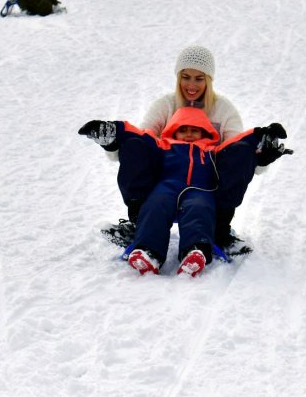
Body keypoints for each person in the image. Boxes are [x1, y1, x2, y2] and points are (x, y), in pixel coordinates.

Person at [102, 45, 291, 252]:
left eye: (199, 78)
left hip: (206, 185)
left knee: (239, 151)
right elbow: (142, 146)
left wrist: (260, 156)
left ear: (209, 80)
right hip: (164, 181)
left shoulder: (224, 110)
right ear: (178, 77)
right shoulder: (165, 106)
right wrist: (113, 142)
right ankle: (140, 223)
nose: (191, 85)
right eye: (186, 77)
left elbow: (237, 153)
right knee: (137, 143)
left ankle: (219, 230)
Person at [80, 107, 290, 277]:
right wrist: (113, 130)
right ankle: (148, 251)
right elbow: (139, 136)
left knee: (198, 209)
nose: (189, 133)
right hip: (166, 187)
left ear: (206, 133)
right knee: (155, 206)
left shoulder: (211, 151)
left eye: (195, 130)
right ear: (173, 131)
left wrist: (260, 135)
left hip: (200, 190)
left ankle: (194, 251)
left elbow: (237, 143)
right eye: (183, 129)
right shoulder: (164, 146)